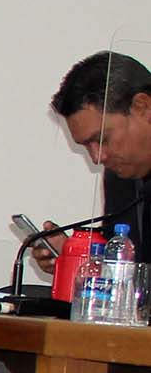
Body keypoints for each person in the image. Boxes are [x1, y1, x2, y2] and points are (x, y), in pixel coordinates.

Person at [46, 50, 151, 251]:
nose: (97, 157)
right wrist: (75, 257)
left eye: (103, 139)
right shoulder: (120, 177)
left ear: (143, 107)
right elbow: (124, 260)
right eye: (86, 146)